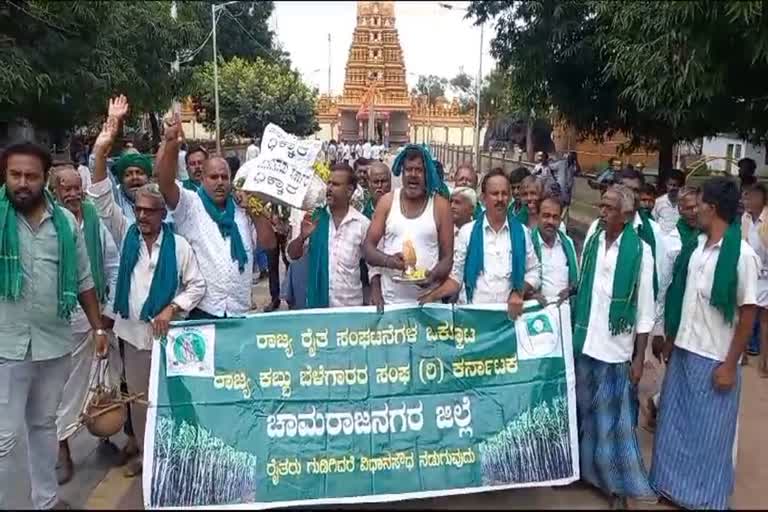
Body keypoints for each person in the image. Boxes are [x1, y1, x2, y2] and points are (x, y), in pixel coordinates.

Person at [89, 98, 206, 478]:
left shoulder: (181, 246)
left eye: (149, 211)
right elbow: (103, 196)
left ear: (162, 213)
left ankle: (178, 458)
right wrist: (103, 145)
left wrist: (172, 309)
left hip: (169, 338)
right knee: (138, 401)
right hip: (133, 336)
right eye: (137, 210)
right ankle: (146, 457)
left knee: (174, 400)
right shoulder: (126, 237)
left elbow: (196, 286)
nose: (141, 216)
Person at [0, 142, 110, 510]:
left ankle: (45, 503)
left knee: (44, 426)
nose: (22, 183)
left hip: (53, 344)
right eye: (15, 175)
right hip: (6, 346)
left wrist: (97, 329)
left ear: (44, 178)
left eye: (30, 176)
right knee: (3, 438)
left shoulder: (63, 222)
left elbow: (83, 280)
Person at [650, 177, 759, 510]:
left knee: (709, 437)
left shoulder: (742, 255)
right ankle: (670, 488)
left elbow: (748, 314)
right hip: (684, 350)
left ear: (711, 208)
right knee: (675, 426)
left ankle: (704, 500)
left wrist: (729, 365)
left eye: (698, 203)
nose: (692, 209)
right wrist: (669, 338)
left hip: (715, 358)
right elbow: (681, 298)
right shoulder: (695, 248)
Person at [572, 184, 657, 508]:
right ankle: (585, 473)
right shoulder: (594, 233)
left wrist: (639, 357)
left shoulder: (640, 250)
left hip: (616, 346)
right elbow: (584, 281)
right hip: (587, 338)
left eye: (609, 207)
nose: (601, 210)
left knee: (614, 422)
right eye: (602, 204)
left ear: (624, 215)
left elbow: (645, 309)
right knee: (586, 412)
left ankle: (618, 486)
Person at [156, 114, 265, 320]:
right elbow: (165, 183)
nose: (220, 182)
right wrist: (171, 143)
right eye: (213, 177)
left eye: (225, 177)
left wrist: (254, 209)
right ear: (202, 179)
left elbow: (268, 243)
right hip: (203, 310)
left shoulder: (241, 207)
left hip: (238, 310)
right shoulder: (190, 205)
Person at [52, 166, 120, 485]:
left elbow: (113, 264)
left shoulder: (93, 220)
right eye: (64, 188)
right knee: (64, 392)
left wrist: (107, 314)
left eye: (76, 187)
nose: (72, 194)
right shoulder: (48, 223)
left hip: (97, 320)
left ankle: (104, 437)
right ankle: (61, 448)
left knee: (103, 384)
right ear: (54, 191)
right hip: (59, 324)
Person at [418, 168, 540, 317]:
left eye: (504, 193)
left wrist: (518, 292)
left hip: (506, 321)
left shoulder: (522, 233)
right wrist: (432, 296)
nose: (500, 199)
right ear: (483, 198)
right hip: (472, 320)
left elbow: (534, 271)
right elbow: (456, 278)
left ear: (510, 198)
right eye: (495, 194)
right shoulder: (467, 232)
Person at [364, 145, 453, 308]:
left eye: (419, 170)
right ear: (402, 173)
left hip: (428, 303)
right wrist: (389, 261)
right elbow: (368, 249)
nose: (413, 174)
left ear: (427, 174)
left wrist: (432, 276)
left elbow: (448, 258)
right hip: (391, 303)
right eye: (408, 169)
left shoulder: (440, 205)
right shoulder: (387, 202)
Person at [646, 185, 701, 430]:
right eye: (687, 207)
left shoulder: (706, 237)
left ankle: (660, 405)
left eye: (696, 206)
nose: (693, 211)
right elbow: (662, 287)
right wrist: (658, 330)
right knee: (675, 372)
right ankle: (659, 408)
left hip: (698, 318)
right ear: (679, 209)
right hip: (673, 319)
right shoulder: (671, 242)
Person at [286, 163, 370, 308]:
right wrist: (301, 237)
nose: (329, 189)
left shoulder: (362, 224)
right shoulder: (314, 219)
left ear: (350, 190)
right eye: (329, 183)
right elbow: (292, 256)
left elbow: (372, 266)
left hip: (350, 308)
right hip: (318, 309)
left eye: (336, 184)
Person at [529, 195, 578, 306]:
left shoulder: (567, 243)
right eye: (546, 216)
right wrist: (531, 295)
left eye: (555, 217)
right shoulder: (527, 243)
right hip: (535, 313)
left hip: (563, 312)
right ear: (537, 217)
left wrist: (570, 291)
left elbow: (576, 280)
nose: (550, 221)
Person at [741, 183, 768, 377]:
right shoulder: (745, 218)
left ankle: (765, 362)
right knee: (745, 315)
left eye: (749, 198)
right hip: (750, 270)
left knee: (765, 321)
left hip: (767, 274)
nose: (746, 201)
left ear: (760, 199)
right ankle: (742, 354)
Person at [652, 169, 685, 235]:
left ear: (681, 186)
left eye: (675, 185)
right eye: (670, 185)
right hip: (662, 241)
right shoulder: (659, 202)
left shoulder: (685, 203)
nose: (672, 188)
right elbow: (654, 222)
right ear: (666, 184)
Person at [551, 151, 578, 223]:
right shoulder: (561, 163)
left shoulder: (573, 166)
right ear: (568, 156)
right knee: (558, 206)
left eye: (573, 157)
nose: (571, 158)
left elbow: (578, 171)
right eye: (570, 156)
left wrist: (576, 161)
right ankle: (557, 221)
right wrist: (554, 178)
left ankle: (563, 223)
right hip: (560, 188)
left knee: (566, 207)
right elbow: (550, 167)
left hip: (568, 190)